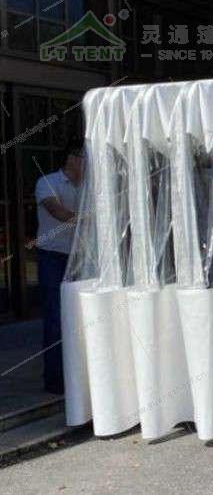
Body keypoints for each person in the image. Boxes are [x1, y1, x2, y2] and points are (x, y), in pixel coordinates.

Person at [35, 142, 83, 395]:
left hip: (79, 258)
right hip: (52, 259)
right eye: (84, 157)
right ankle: (55, 380)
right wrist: (88, 218)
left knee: (80, 317)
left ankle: (78, 377)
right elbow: (57, 212)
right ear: (72, 158)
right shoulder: (47, 183)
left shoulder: (89, 186)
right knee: (55, 317)